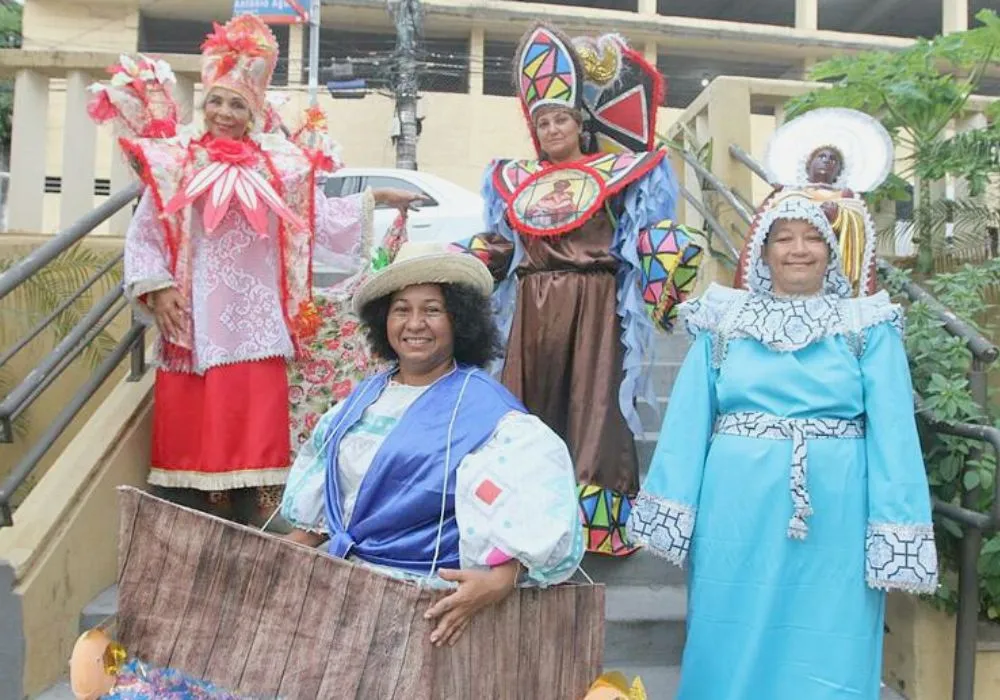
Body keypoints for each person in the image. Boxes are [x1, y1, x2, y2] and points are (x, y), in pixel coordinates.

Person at [96, 15, 422, 524]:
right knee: (205, 420)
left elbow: (316, 215)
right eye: (217, 101)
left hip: (258, 315)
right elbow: (146, 231)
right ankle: (211, 507)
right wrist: (157, 289)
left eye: (236, 104)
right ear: (204, 105)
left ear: (253, 111)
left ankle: (266, 508)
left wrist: (379, 197)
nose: (225, 113)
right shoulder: (175, 163)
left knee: (257, 413)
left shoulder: (278, 166)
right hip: (197, 312)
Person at [628, 191, 938, 699]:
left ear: (832, 252)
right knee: (729, 622)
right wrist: (673, 503)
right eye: (784, 238)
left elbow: (894, 433)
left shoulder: (867, 325)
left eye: (813, 237)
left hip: (836, 510)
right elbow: (688, 417)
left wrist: (897, 525)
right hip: (736, 505)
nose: (799, 249)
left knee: (831, 628)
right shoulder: (724, 320)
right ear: (763, 252)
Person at [452, 24, 704, 556]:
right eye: (542, 121)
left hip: (595, 302)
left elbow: (643, 234)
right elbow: (501, 244)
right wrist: (463, 261)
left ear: (580, 122)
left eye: (560, 117)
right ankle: (520, 513)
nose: (551, 128)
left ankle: (597, 523)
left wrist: (667, 256)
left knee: (596, 410)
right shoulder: (513, 178)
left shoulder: (618, 172)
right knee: (525, 408)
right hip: (533, 305)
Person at [280, 242, 584, 647]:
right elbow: (324, 513)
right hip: (345, 597)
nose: (415, 323)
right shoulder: (362, 400)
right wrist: (272, 554)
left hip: (429, 607)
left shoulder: (488, 412)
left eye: (432, 310)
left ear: (459, 320)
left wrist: (502, 579)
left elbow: (531, 501)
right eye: (401, 309)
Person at [733, 107, 895, 296]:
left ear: (840, 170)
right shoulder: (784, 195)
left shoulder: (848, 198)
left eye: (833, 159)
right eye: (821, 156)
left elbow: (857, 230)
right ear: (808, 162)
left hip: (833, 269)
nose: (827, 162)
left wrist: (837, 217)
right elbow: (764, 230)